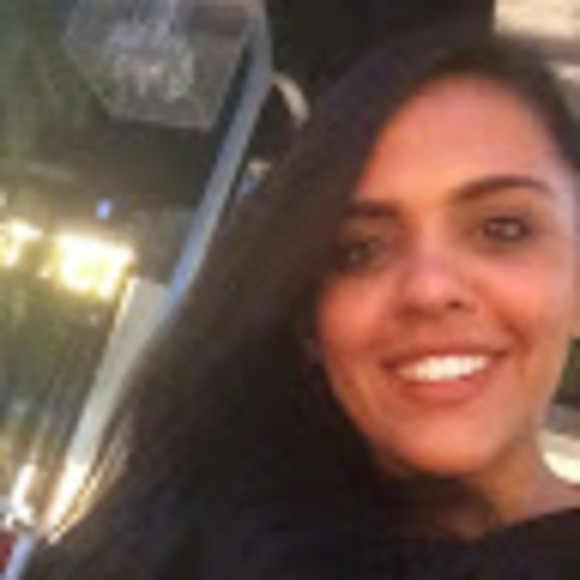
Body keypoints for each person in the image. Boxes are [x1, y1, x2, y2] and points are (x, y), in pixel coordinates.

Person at [24, 27, 580, 579]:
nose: (429, 289)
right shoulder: (167, 554)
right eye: (360, 250)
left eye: (503, 229)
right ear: (308, 321)